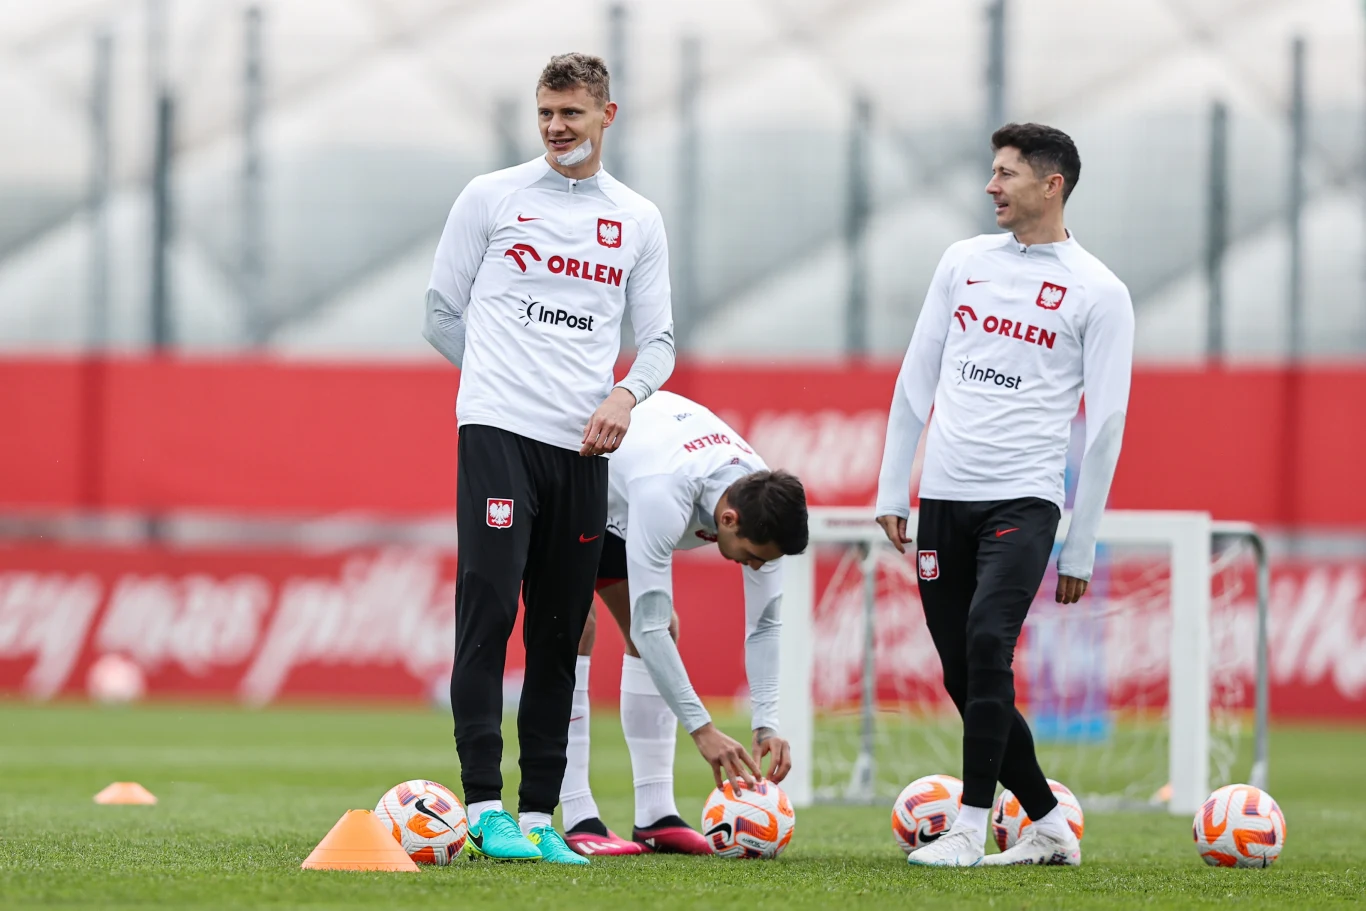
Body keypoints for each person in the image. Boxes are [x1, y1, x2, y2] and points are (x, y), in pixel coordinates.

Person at [422, 53, 675, 865]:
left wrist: (624, 396)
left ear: (607, 115)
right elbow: (439, 312)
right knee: (491, 608)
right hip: (497, 431)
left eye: (571, 113)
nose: (557, 128)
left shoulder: (636, 218)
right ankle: (484, 807)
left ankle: (539, 816)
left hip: (585, 446)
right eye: (545, 113)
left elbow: (660, 341)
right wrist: (499, 383)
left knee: (562, 630)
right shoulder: (491, 196)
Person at [874, 123, 1134, 867]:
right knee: (964, 672)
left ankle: (967, 827)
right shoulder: (962, 261)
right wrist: (894, 485)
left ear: (1052, 185)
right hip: (942, 499)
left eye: (1006, 173)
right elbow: (917, 374)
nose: (991, 186)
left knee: (990, 642)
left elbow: (1106, 425)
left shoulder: (1100, 292)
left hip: (1024, 500)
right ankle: (1048, 823)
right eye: (992, 171)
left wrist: (1080, 543)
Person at [553, 390, 808, 857]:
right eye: (753, 556)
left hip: (622, 502)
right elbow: (645, 628)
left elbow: (766, 626)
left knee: (663, 629)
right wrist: (703, 729)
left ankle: (655, 816)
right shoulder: (665, 492)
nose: (756, 567)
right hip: (570, 483)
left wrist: (766, 724)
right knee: (573, 626)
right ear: (727, 519)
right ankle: (578, 816)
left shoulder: (762, 500)